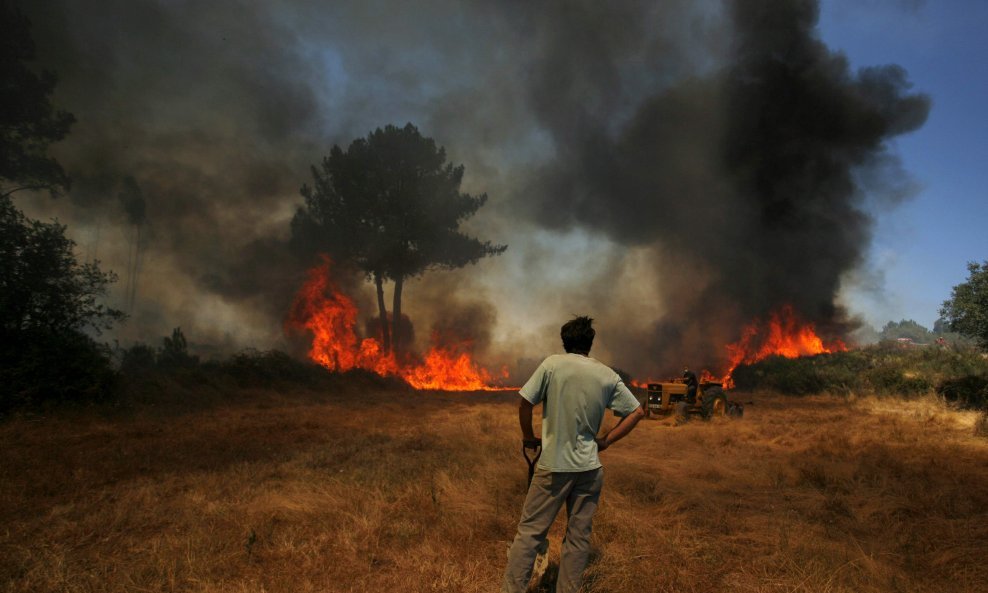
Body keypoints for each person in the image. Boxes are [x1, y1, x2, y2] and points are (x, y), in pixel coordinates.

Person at [501, 316, 645, 593]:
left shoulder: (552, 365)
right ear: (590, 343)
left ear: (564, 341)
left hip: (554, 467)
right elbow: (637, 412)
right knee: (579, 539)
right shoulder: (606, 374)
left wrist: (528, 437)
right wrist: (606, 441)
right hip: (589, 470)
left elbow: (525, 403)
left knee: (530, 534)